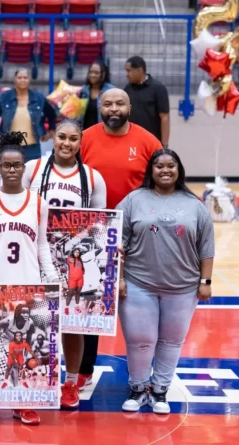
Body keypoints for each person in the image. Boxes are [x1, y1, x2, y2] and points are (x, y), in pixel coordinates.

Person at [0, 134, 59, 426]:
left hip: (28, 284)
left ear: (24, 167)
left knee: (26, 346)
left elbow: (42, 243)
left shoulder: (38, 203)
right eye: (6, 165)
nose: (11, 170)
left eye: (16, 165)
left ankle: (24, 402)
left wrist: (51, 276)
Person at [116, 148, 214, 414]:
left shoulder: (195, 205)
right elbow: (116, 242)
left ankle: (160, 391)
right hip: (138, 283)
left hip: (183, 287)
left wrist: (205, 281)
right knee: (140, 340)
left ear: (179, 170)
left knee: (171, 341)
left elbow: (206, 247)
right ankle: (138, 388)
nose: (165, 170)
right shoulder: (134, 200)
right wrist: (119, 278)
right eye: (159, 165)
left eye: (171, 165)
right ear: (151, 170)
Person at [77, 88, 160, 388]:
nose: (114, 108)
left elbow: (160, 184)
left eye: (120, 103)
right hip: (92, 233)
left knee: (138, 305)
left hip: (136, 234)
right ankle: (83, 371)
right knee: (89, 302)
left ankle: (141, 373)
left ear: (130, 108)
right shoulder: (84, 139)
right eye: (108, 104)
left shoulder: (148, 142)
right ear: (100, 107)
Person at [23, 120, 107, 410]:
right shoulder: (33, 168)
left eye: (73, 139)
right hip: (35, 254)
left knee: (72, 321)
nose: (66, 143)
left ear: (80, 143)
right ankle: (35, 378)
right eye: (62, 137)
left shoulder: (93, 177)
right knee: (36, 319)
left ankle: (70, 382)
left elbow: (99, 226)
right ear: (53, 138)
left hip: (73, 259)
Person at [0, 68, 57, 162]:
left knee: (33, 171)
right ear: (15, 79)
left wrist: (51, 131)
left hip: (33, 148)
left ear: (29, 79)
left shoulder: (39, 98)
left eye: (25, 77)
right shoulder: (4, 98)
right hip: (8, 147)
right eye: (19, 77)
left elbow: (52, 114)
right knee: (8, 170)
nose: (22, 80)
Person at [124, 56, 170, 148]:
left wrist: (164, 145)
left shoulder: (158, 88)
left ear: (139, 70)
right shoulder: (127, 89)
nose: (126, 74)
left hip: (152, 142)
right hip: (131, 142)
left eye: (129, 71)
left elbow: (164, 117)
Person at [78, 60, 114, 130]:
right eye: (91, 72)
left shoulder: (110, 91)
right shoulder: (83, 90)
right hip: (85, 131)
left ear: (103, 74)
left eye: (96, 72)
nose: (93, 75)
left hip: (103, 131)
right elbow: (77, 114)